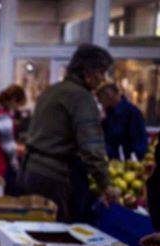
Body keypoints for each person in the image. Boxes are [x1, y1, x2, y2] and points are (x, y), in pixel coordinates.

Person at [20, 44, 117, 222]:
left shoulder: (52, 91)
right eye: (101, 73)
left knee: (36, 230)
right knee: (58, 236)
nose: (103, 79)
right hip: (56, 176)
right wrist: (105, 185)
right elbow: (91, 147)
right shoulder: (81, 98)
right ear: (89, 73)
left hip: (32, 170)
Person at [96, 82, 148, 160]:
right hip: (113, 160)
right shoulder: (108, 113)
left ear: (109, 95)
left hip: (126, 160)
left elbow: (139, 139)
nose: (100, 103)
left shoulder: (131, 112)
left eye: (101, 99)